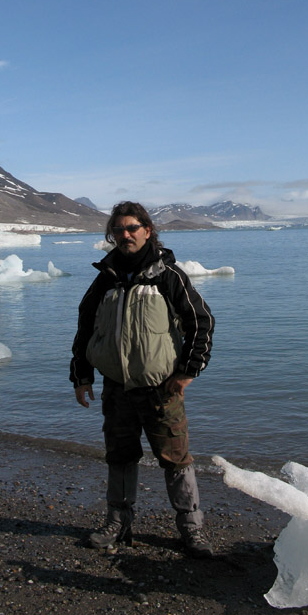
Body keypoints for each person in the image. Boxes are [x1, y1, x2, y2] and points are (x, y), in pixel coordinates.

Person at [70, 201, 215, 558]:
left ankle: (191, 530)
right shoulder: (105, 278)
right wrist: (81, 376)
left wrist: (187, 372)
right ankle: (118, 523)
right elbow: (85, 327)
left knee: (176, 459)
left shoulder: (168, 275)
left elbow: (201, 322)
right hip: (116, 387)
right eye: (118, 229)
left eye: (132, 228)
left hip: (160, 388)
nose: (125, 235)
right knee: (119, 456)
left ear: (147, 231)